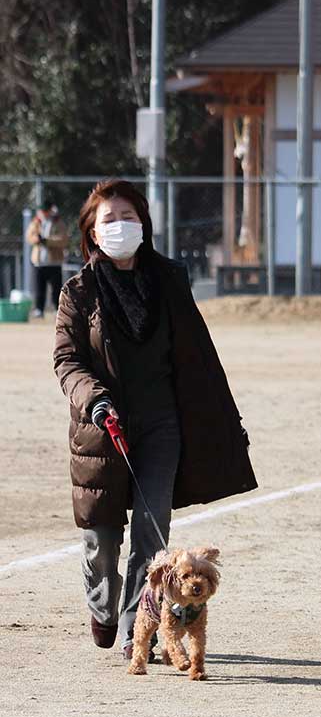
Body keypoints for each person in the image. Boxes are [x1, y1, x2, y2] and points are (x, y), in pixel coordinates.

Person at [52, 179, 256, 659]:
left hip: (162, 424)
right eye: (109, 220)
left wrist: (219, 421)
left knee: (152, 532)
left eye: (129, 217)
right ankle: (103, 608)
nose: (120, 226)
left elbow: (196, 355)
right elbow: (66, 360)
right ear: (92, 233)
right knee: (101, 541)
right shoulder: (78, 292)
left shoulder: (168, 280)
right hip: (100, 427)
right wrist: (96, 400)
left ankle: (132, 629)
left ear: (144, 224)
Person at [26, 202, 69, 318]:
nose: (43, 213)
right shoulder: (36, 222)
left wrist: (47, 241)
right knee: (39, 288)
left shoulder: (58, 222)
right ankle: (39, 310)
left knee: (56, 289)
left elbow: (63, 239)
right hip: (39, 262)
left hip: (54, 262)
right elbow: (29, 236)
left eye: (45, 211)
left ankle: (57, 309)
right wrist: (37, 239)